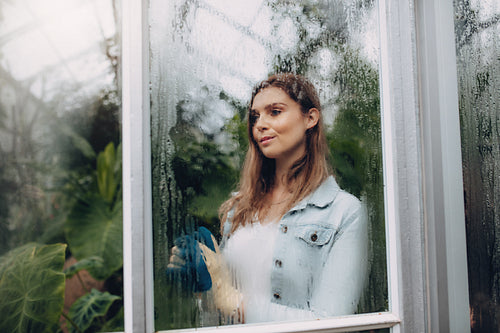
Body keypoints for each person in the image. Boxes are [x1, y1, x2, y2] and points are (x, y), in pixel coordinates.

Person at [168, 73, 368, 324]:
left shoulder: (343, 212)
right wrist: (205, 285)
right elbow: (221, 313)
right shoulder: (239, 208)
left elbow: (332, 323)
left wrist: (230, 298)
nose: (260, 124)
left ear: (310, 118)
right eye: (255, 116)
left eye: (274, 112)